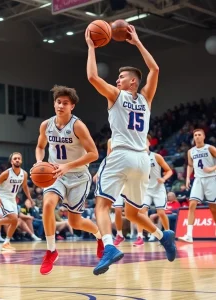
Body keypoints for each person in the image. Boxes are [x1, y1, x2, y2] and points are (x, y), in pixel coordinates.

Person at [86, 24, 176, 275]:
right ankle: (163, 236)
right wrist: (136, 40)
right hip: (142, 161)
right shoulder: (146, 98)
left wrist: (91, 47)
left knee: (101, 206)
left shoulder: (116, 96)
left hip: (121, 154)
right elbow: (155, 69)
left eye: (121, 77)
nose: (117, 80)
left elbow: (92, 77)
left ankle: (108, 246)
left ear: (132, 82)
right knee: (134, 214)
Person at [35, 85, 103, 275]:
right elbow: (40, 147)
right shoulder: (45, 125)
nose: (61, 106)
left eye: (65, 103)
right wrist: (40, 162)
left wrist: (68, 166)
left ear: (72, 106)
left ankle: (99, 236)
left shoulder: (78, 125)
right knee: (48, 205)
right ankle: (51, 250)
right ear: (54, 103)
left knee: (75, 222)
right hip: (55, 173)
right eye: (58, 102)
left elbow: (94, 154)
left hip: (79, 176)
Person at [134, 135, 173, 246]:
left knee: (161, 212)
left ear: (149, 143)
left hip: (158, 189)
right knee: (141, 212)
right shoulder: (137, 158)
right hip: (145, 189)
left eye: (144, 141)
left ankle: (168, 234)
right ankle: (140, 237)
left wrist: (164, 178)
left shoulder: (157, 156)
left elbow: (169, 171)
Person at [178, 129, 216, 243]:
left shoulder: (210, 148)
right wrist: (188, 178)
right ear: (193, 137)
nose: (197, 137)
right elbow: (190, 165)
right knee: (192, 204)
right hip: (198, 179)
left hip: (211, 179)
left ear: (204, 136)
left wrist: (212, 168)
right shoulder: (190, 151)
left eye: (199, 135)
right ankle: (189, 235)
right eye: (195, 135)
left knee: (213, 208)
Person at [0, 152, 33, 251]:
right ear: (11, 161)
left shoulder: (24, 174)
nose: (17, 160)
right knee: (14, 218)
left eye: (19, 158)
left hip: (12, 198)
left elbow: (25, 187)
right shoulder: (6, 173)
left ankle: (6, 243)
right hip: (3, 197)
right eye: (15, 159)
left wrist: (30, 198)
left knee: (15, 221)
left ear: (21, 160)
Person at [93, 138, 126, 246]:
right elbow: (108, 158)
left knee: (137, 212)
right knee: (117, 209)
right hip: (118, 177)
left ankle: (146, 234)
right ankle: (119, 234)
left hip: (133, 173)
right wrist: (99, 172)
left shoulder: (133, 135)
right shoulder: (111, 141)